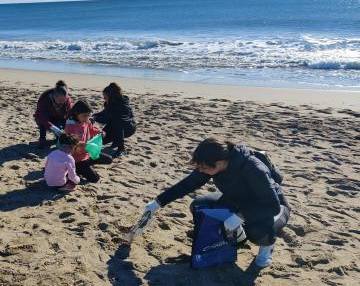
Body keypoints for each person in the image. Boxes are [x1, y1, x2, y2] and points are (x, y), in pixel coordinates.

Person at [144, 138, 290, 267]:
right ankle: (232, 239)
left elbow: (272, 206)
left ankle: (267, 246)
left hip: (271, 205)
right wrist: (158, 202)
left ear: (219, 163)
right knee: (199, 206)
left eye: (204, 168)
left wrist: (241, 216)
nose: (201, 171)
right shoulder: (212, 165)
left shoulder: (253, 168)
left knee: (258, 233)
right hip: (237, 199)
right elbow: (187, 185)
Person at [64, 100, 113, 183]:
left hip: (87, 153)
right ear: (76, 114)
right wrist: (81, 146)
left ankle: (85, 167)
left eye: (88, 116)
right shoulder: (70, 126)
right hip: (77, 159)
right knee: (95, 179)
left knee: (109, 159)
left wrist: (100, 132)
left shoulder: (87, 121)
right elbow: (70, 144)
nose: (86, 118)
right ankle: (76, 169)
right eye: (84, 116)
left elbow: (92, 129)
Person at [92, 82, 136, 158]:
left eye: (105, 97)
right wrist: (93, 115)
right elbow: (104, 113)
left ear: (111, 97)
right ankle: (116, 142)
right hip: (115, 126)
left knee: (117, 123)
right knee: (101, 140)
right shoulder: (110, 103)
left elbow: (107, 119)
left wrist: (95, 118)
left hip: (128, 129)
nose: (104, 99)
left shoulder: (121, 106)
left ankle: (121, 148)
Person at [34, 80, 73, 148]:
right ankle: (42, 138)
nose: (62, 102)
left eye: (64, 100)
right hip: (46, 119)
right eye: (60, 101)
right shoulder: (45, 99)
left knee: (64, 124)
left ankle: (59, 138)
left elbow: (70, 113)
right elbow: (39, 116)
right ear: (54, 96)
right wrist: (52, 127)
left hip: (59, 118)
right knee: (42, 123)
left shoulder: (67, 100)